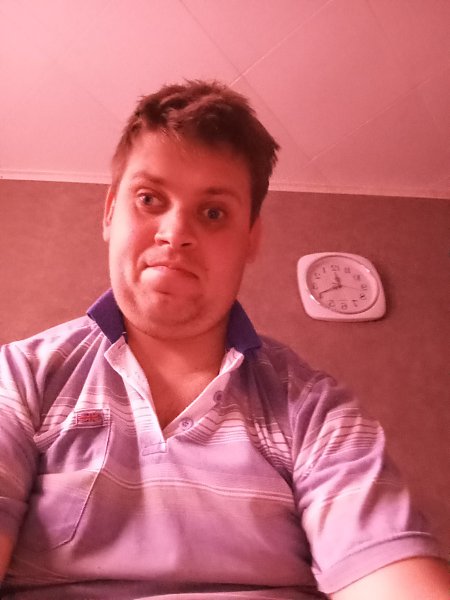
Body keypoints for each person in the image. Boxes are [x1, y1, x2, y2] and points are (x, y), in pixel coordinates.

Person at [0, 80, 447, 600]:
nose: (175, 232)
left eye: (213, 212)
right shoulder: (20, 377)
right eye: (149, 199)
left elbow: (393, 577)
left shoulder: (314, 410)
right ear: (109, 213)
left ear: (251, 239)